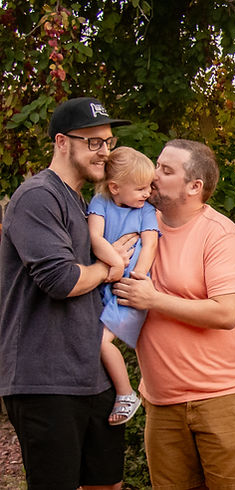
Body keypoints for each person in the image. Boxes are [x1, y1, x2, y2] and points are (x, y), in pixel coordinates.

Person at [112, 139, 235, 489]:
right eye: (157, 165)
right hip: (162, 401)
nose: (153, 174)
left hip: (222, 399)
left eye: (167, 170)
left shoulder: (220, 235)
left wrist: (153, 299)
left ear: (194, 187)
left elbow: (226, 313)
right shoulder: (136, 228)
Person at [0, 97, 133, 489]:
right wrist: (109, 269)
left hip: (90, 374)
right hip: (44, 379)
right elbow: (62, 281)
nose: (105, 152)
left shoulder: (82, 202)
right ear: (62, 142)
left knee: (106, 482)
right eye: (93, 142)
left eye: (108, 142)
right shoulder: (38, 197)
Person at [88, 146, 158, 425]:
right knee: (89, 338)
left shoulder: (146, 211)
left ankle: (126, 393)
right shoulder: (100, 203)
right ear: (115, 187)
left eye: (149, 187)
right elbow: (95, 237)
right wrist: (115, 265)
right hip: (106, 284)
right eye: (141, 188)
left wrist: (136, 275)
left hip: (128, 291)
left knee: (100, 342)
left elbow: (151, 243)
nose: (147, 193)